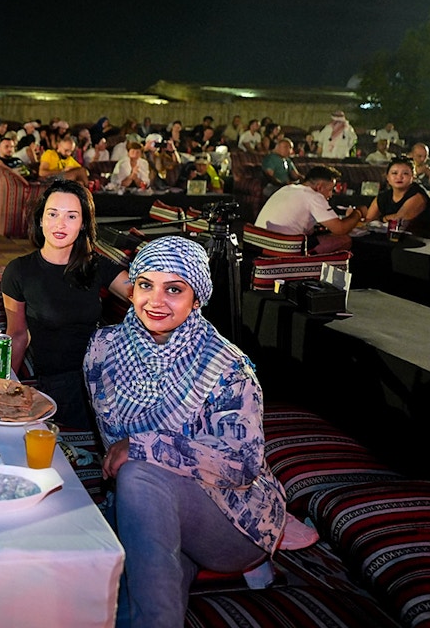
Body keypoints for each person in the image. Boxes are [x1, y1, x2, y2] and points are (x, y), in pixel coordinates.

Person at [83, 235, 287, 627]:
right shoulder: (104, 348)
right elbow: (111, 443)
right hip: (156, 504)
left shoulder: (226, 368)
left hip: (234, 517)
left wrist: (145, 446)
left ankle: (243, 562)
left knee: (140, 475)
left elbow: (242, 465)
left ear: (197, 299)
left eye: (174, 289)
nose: (155, 301)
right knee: (120, 579)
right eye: (145, 285)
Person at [1, 180, 130, 430]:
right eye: (53, 214)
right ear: (40, 220)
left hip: (102, 376)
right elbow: (16, 334)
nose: (60, 224)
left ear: (83, 224)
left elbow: (143, 294)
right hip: (59, 382)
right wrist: (6, 388)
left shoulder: (95, 265)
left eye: (71, 216)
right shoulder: (19, 271)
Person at [255, 165, 365, 253]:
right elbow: (340, 229)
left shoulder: (287, 188)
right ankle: (318, 276)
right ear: (319, 187)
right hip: (284, 248)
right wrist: (358, 213)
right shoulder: (314, 197)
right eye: (331, 189)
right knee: (345, 240)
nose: (331, 195)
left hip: (260, 244)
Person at [363, 156, 430, 236]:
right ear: (387, 177)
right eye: (394, 173)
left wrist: (382, 219)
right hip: (392, 240)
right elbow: (367, 221)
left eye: (405, 173)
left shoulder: (418, 195)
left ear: (412, 177)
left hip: (422, 242)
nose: (399, 177)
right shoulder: (383, 196)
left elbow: (398, 221)